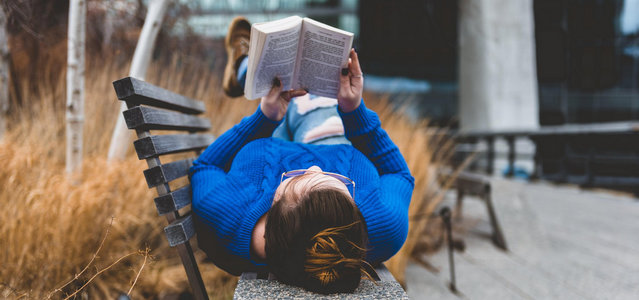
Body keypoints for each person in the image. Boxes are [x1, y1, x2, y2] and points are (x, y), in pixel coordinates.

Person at [190, 17, 414, 294]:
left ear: (275, 203)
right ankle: (251, 70)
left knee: (283, 84)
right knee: (317, 99)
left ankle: (242, 66)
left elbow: (205, 165)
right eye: (341, 183)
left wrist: (264, 117)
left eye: (300, 178)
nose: (315, 167)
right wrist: (354, 112)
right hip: (330, 139)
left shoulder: (225, 212)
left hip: (269, 137)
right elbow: (399, 175)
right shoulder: (381, 226)